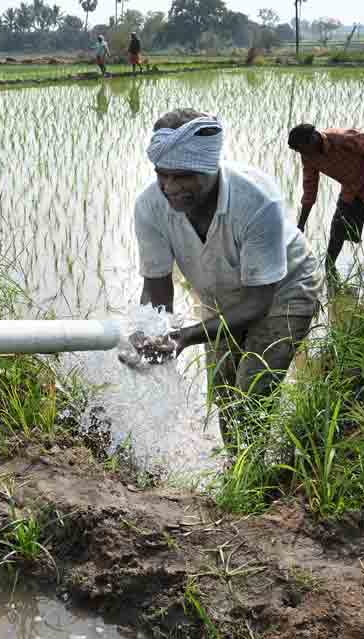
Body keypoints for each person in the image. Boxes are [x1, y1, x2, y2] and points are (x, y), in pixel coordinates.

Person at [131, 109, 324, 445]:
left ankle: (259, 470)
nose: (170, 187)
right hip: (221, 294)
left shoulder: (256, 201)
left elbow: (258, 303)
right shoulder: (150, 206)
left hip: (283, 291)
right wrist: (151, 331)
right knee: (223, 392)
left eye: (183, 176)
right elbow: (157, 289)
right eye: (163, 175)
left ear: (209, 167)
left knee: (252, 393)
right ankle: (237, 467)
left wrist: (185, 336)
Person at [288, 124, 364, 282]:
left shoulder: (341, 138)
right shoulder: (308, 156)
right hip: (352, 186)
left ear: (313, 138)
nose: (302, 154)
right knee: (338, 226)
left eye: (302, 149)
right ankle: (328, 268)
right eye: (299, 151)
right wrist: (301, 225)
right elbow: (310, 189)